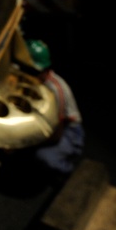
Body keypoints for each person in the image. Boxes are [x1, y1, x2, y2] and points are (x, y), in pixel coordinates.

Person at [25, 39, 84, 179]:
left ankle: (70, 175)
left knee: (45, 157)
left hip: (68, 131)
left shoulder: (56, 89)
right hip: (45, 121)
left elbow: (57, 134)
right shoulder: (34, 80)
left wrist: (27, 142)